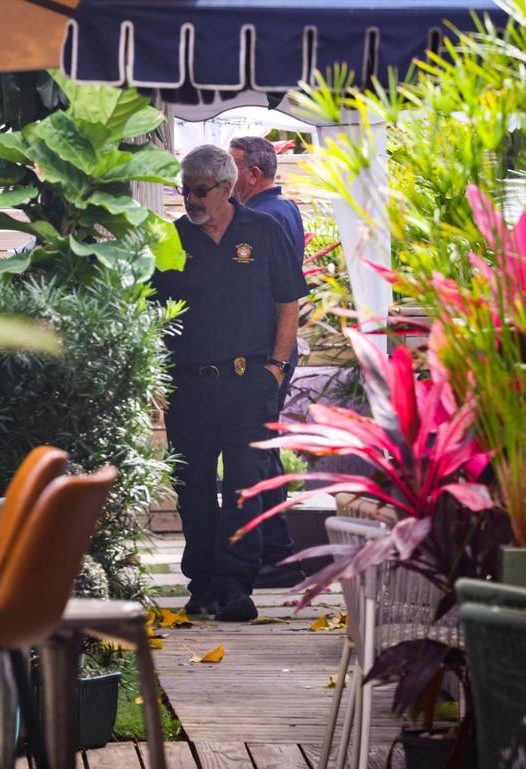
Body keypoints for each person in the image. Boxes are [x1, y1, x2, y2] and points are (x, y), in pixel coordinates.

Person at [151, 145, 308, 622]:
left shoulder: (264, 230)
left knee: (246, 485)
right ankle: (202, 584)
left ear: (225, 187)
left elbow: (288, 302)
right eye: (185, 191)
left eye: (199, 191)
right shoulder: (171, 239)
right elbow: (151, 312)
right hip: (189, 385)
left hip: (249, 383)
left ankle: (237, 586)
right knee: (193, 487)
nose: (190, 200)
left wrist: (277, 367)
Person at [228, 135, 309, 588]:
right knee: (261, 450)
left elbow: (281, 296)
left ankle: (273, 556)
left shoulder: (261, 218)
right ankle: (277, 555)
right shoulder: (286, 210)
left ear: (253, 174)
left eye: (231, 168)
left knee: (256, 453)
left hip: (267, 352)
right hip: (268, 350)